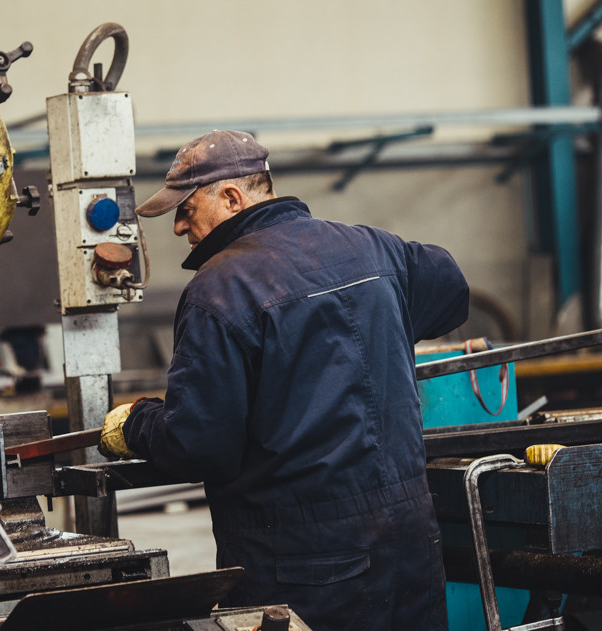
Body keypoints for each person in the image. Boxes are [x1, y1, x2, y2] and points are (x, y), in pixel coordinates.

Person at [100, 130, 468, 631]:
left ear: (232, 197)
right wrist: (378, 324)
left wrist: (137, 423)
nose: (179, 226)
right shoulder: (376, 249)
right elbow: (451, 288)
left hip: (303, 565)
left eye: (186, 209)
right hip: (410, 546)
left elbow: (199, 444)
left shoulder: (220, 288)